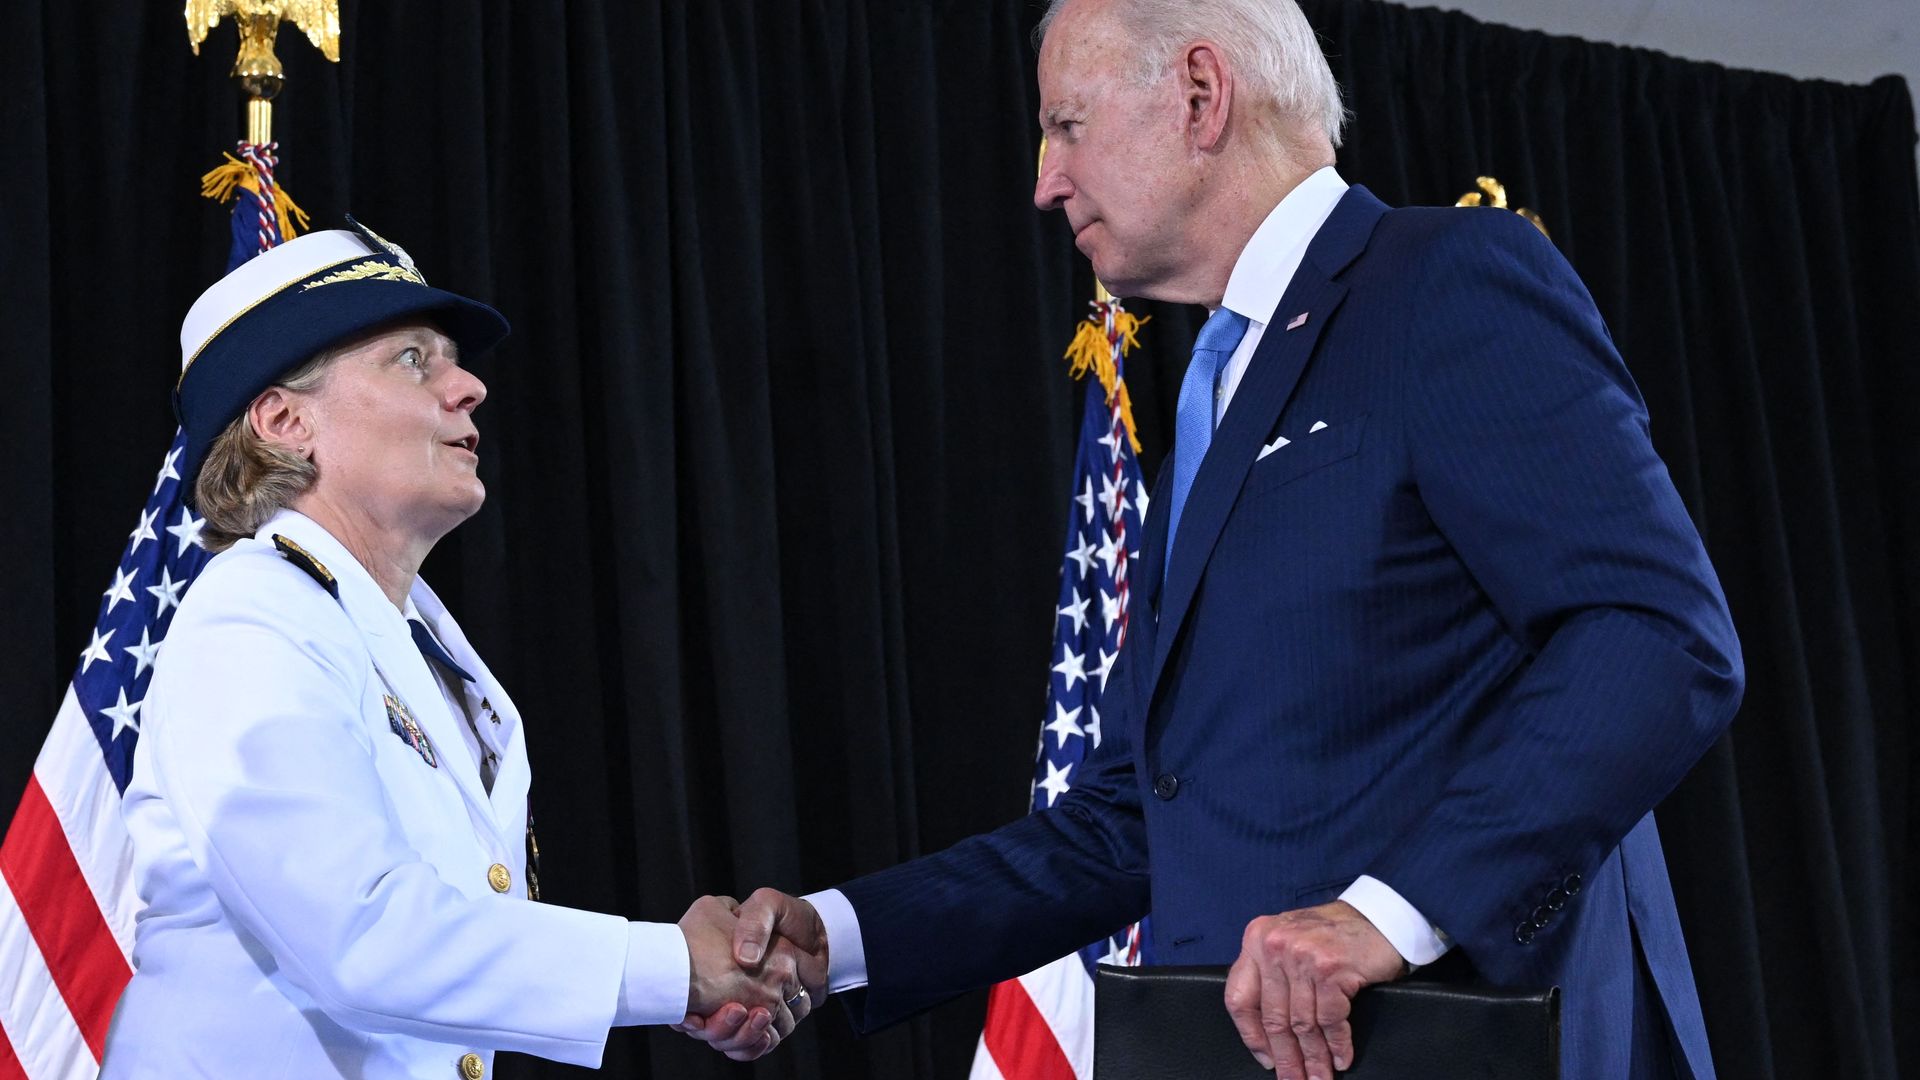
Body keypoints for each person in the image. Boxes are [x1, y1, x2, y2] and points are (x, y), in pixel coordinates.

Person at [684, 0, 1744, 1077]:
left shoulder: (1446, 282)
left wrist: (1391, 914)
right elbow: (1129, 815)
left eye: (1067, 125)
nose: (1045, 179)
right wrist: (843, 935)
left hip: (1466, 1042)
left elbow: (1658, 635)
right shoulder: (1217, 403)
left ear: (1201, 93)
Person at [101, 224, 806, 1077]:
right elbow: (358, 935)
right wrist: (671, 968)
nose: (468, 386)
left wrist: (685, 982)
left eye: (454, 363)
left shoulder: (419, 638)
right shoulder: (251, 617)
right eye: (412, 360)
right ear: (285, 420)